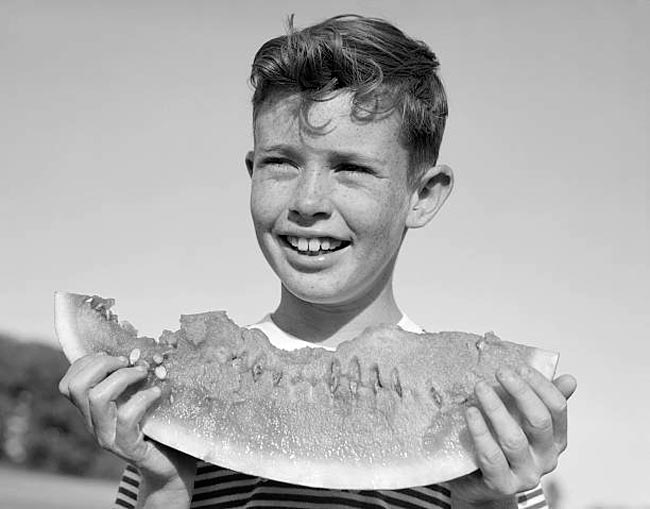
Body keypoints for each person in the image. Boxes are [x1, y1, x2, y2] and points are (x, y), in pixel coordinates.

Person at [58, 14, 577, 509]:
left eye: (351, 168)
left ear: (423, 195)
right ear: (252, 171)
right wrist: (165, 489)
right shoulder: (169, 404)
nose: (308, 202)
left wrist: (484, 504)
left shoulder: (484, 426)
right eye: (280, 163)